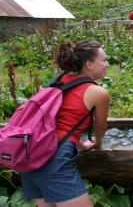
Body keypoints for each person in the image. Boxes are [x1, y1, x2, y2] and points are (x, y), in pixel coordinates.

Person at [20, 40, 110, 207]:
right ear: (89, 64)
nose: (108, 64)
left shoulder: (60, 80)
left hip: (33, 153)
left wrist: (80, 144)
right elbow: (100, 127)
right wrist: (97, 142)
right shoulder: (99, 93)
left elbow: (60, 120)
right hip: (54, 159)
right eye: (104, 60)